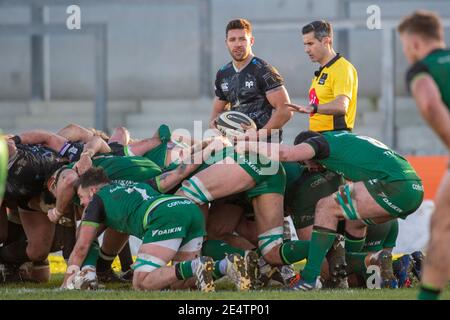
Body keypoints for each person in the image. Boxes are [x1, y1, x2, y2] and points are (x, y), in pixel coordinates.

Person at [238, 130, 424, 290]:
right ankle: (400, 262)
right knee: (353, 218)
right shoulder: (343, 141)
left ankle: (308, 280)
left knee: (326, 207)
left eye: (306, 163)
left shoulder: (319, 143)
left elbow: (286, 153)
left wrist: (247, 145)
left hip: (394, 185)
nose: (310, 168)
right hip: (414, 187)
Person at [62, 168, 251, 292]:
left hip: (165, 215)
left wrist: (66, 284)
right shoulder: (132, 184)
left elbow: (81, 247)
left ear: (93, 191)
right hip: (188, 207)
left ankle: (197, 265)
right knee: (179, 284)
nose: (82, 203)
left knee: (141, 282)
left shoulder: (97, 199)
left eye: (81, 196)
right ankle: (225, 266)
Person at [398, 10, 450, 300]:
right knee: (441, 221)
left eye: (406, 47)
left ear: (415, 43)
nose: (407, 54)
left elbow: (430, 104)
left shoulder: (422, 70)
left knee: (442, 227)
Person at [210, 18, 292, 141]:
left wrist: (256, 136)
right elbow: (217, 112)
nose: (237, 44)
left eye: (242, 39)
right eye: (232, 39)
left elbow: (285, 111)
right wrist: (215, 125)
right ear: (226, 43)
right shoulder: (223, 73)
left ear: (251, 41)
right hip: (236, 143)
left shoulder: (264, 70)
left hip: (265, 145)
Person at [287, 20, 358, 133]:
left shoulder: (342, 68)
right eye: (305, 45)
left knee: (283, 151)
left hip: (334, 136)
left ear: (326, 41)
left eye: (310, 44)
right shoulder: (323, 71)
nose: (306, 50)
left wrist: (313, 108)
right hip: (320, 136)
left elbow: (341, 106)